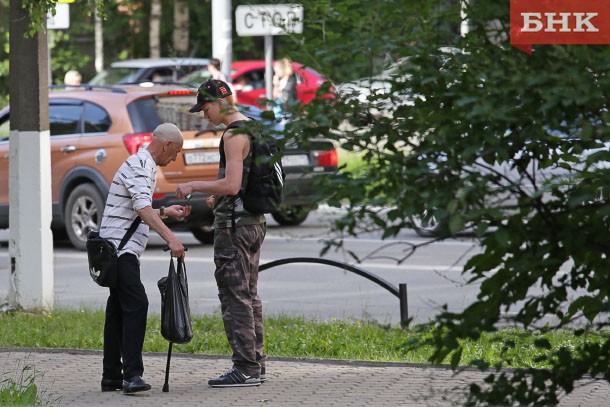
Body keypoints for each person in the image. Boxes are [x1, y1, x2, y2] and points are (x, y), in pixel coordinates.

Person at [176, 79, 266, 388]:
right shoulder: (253, 126)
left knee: (234, 296)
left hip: (234, 229)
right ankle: (257, 363)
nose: (204, 115)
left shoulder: (232, 134)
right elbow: (245, 181)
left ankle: (245, 368)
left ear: (219, 102)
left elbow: (232, 184)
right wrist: (222, 197)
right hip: (254, 222)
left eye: (205, 108)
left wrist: (194, 186)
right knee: (250, 294)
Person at [100, 122, 191, 394]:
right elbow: (141, 206)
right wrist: (171, 239)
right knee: (137, 305)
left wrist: (164, 212)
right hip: (120, 251)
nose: (174, 158)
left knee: (117, 311)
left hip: (116, 250)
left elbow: (136, 208)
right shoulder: (140, 164)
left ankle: (112, 377)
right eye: (175, 152)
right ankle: (131, 376)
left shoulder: (143, 165)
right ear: (166, 145)